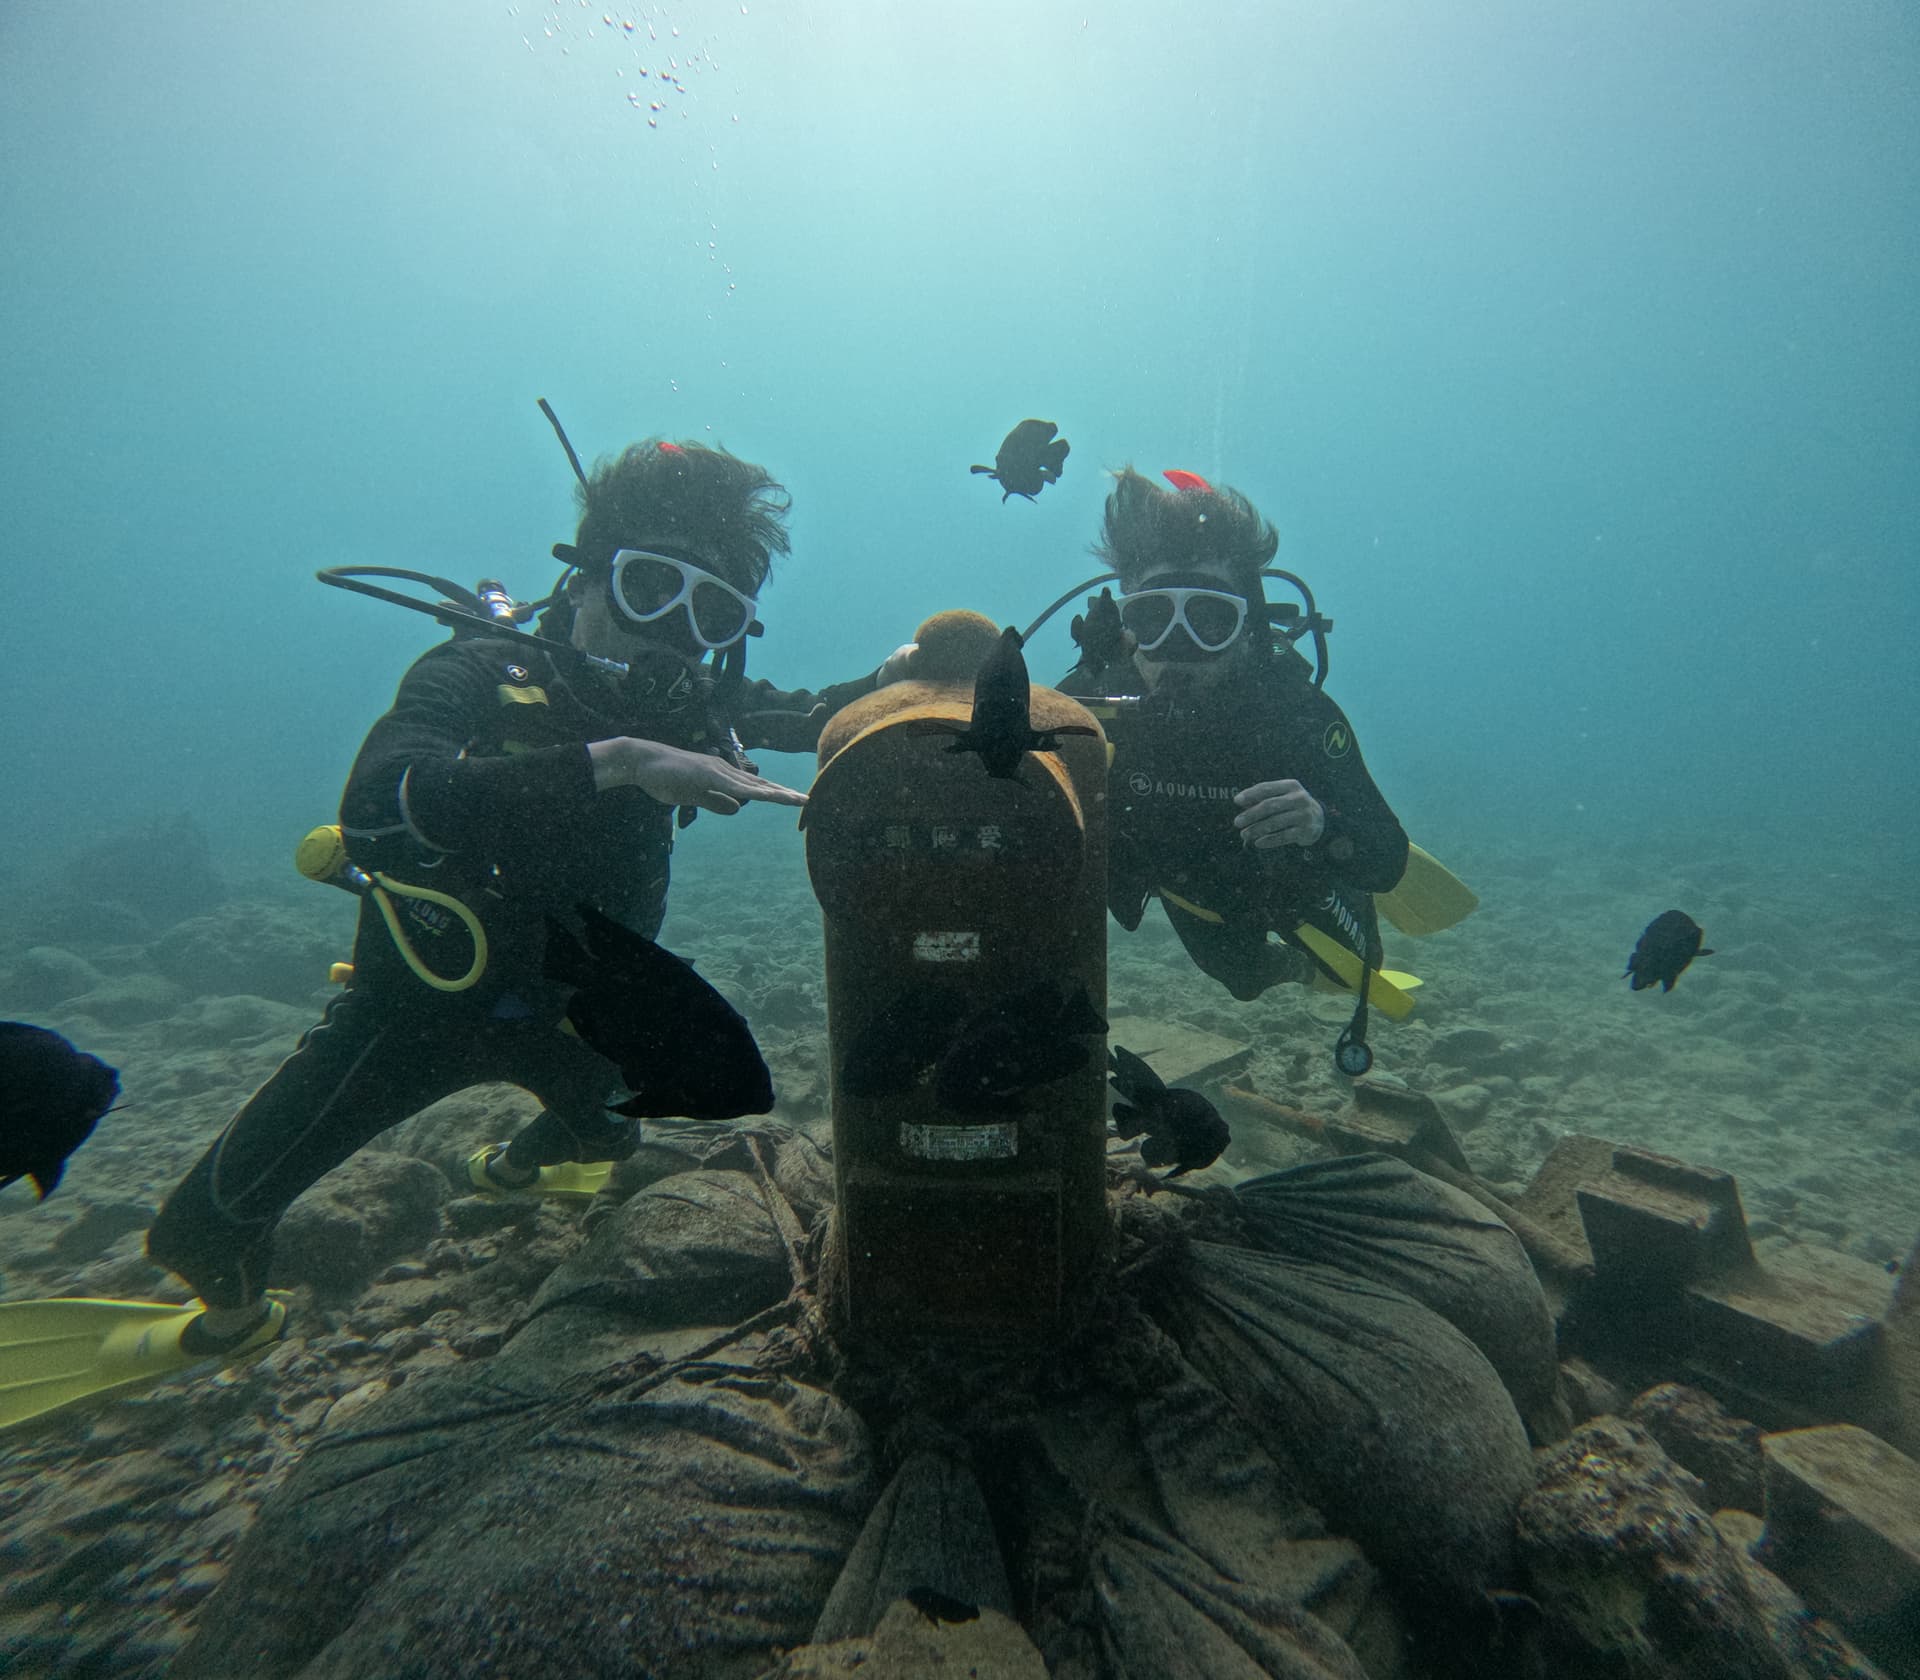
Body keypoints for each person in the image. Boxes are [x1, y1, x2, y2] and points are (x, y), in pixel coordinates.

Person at [141, 438, 888, 1359]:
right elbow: (378, 804)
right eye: (650, 588)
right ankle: (230, 1325)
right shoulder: (479, 672)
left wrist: (906, 675)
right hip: (419, 1006)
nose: (673, 633)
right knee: (205, 1225)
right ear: (583, 579)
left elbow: (815, 713)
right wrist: (616, 762)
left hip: (581, 1007)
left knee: (620, 1133)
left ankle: (512, 1164)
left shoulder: (688, 701)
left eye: (712, 613)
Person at [1056, 466, 1410, 1018]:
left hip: (1289, 881)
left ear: (1247, 624)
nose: (1180, 647)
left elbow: (1386, 859)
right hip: (1188, 891)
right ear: (1124, 622)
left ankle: (1318, 946)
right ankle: (1290, 969)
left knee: (1360, 970)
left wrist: (1321, 822)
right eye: (1152, 618)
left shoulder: (1292, 711)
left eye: (1210, 620)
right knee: (1243, 982)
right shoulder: (1092, 699)